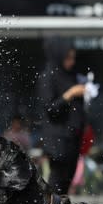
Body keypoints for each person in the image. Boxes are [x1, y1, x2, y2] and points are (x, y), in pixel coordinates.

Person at [37, 37, 85, 195]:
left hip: (72, 138)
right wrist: (70, 94)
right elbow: (50, 108)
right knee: (56, 181)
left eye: (73, 58)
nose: (71, 62)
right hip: (58, 140)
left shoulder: (70, 76)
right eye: (68, 58)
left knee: (66, 181)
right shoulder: (48, 76)